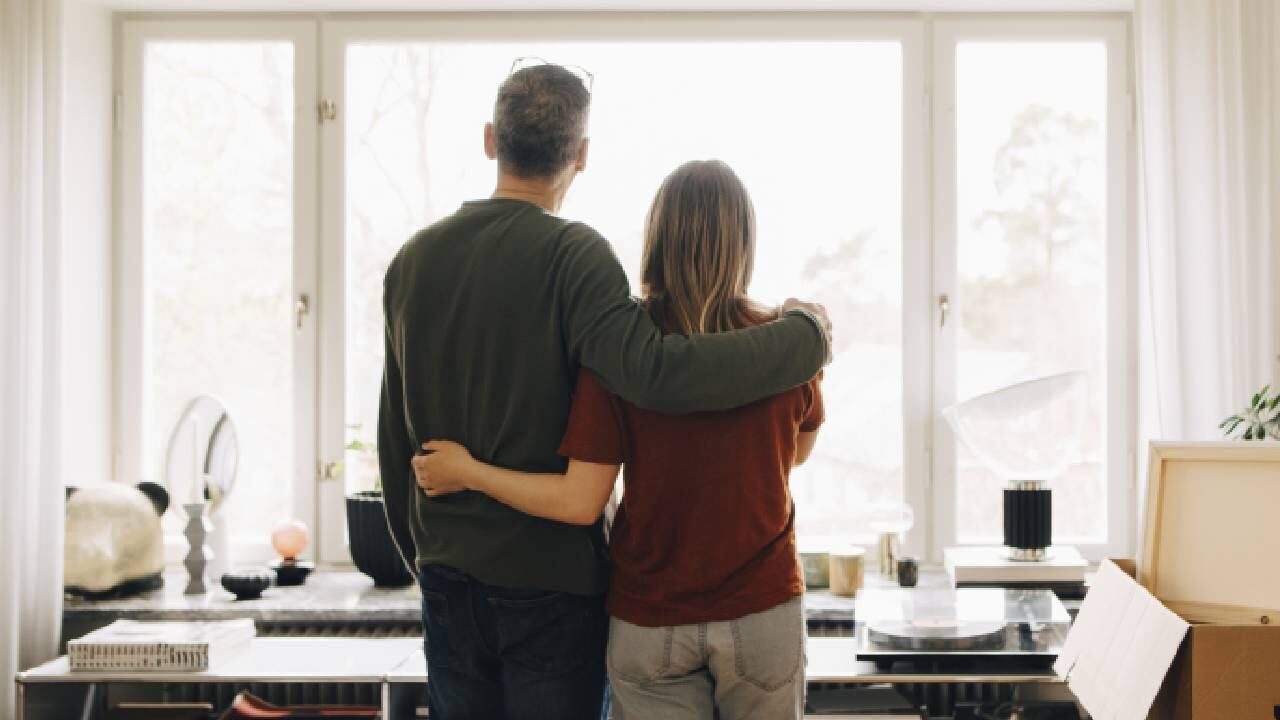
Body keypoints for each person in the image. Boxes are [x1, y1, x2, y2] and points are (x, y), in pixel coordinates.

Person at [377, 61, 831, 720]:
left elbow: (395, 439)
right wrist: (806, 337)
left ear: (489, 139)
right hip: (553, 588)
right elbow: (658, 372)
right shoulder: (576, 256)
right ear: (581, 156)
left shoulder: (411, 260)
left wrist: (427, 560)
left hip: (452, 582)